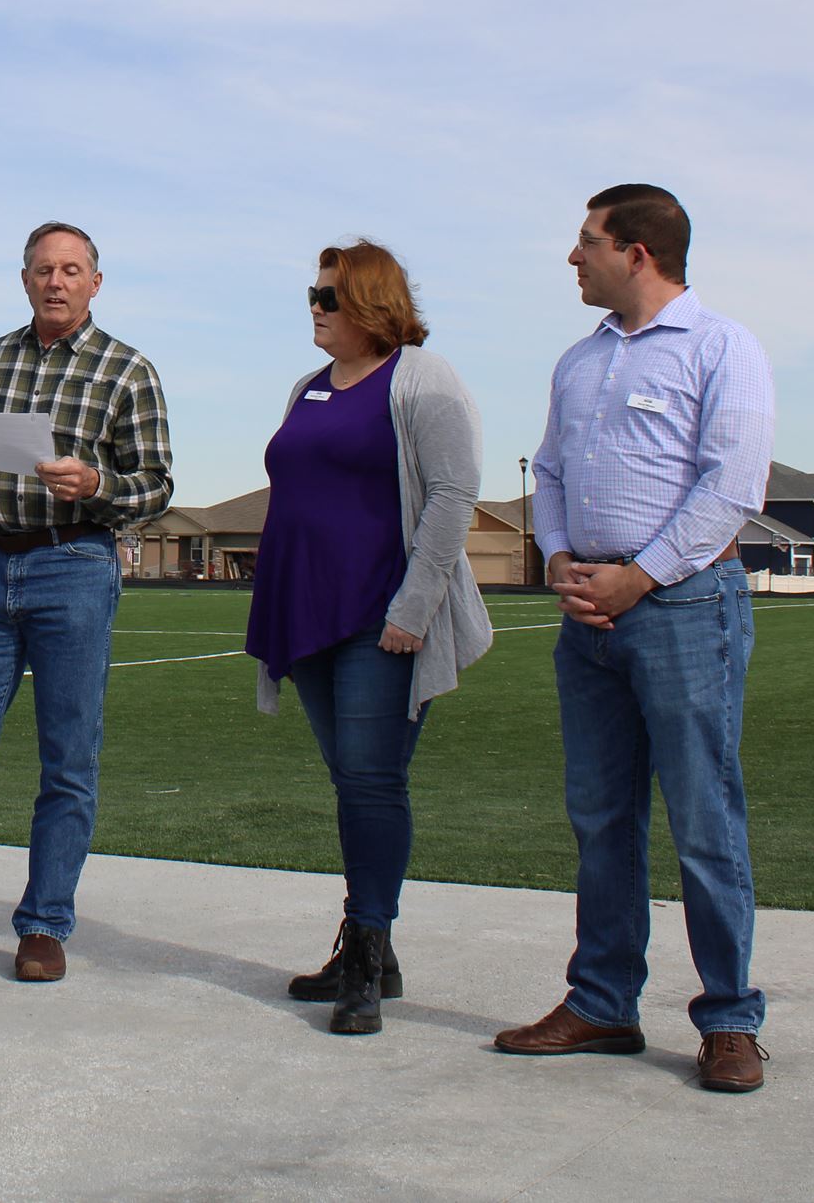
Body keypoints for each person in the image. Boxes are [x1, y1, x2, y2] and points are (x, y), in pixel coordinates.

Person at [497, 184, 776, 1094]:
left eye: (587, 243)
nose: (573, 258)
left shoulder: (723, 347)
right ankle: (603, 1002)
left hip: (686, 608)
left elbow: (730, 487)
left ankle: (730, 1019)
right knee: (601, 818)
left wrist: (640, 574)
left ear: (639, 253)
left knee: (703, 819)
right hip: (589, 617)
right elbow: (547, 470)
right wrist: (567, 556)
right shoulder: (579, 363)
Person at [0, 222, 172, 983]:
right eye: (44, 268)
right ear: (24, 279)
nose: (56, 280)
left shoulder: (127, 370)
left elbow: (157, 483)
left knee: (68, 757)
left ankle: (45, 924)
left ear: (95, 283)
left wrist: (97, 486)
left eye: (71, 268)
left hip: (74, 564)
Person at [248, 240, 492, 1035]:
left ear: (369, 301)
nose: (314, 309)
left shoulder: (423, 378)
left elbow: (454, 493)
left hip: (379, 617)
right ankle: (371, 950)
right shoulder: (308, 387)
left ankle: (367, 950)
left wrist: (414, 607)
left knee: (371, 781)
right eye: (311, 296)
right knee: (350, 776)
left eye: (327, 296)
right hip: (304, 607)